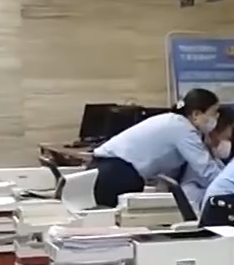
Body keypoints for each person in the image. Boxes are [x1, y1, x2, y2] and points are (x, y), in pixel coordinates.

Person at [90, 89, 226, 208]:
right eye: (214, 112)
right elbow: (206, 168)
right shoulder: (183, 129)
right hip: (116, 174)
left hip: (111, 169)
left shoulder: (173, 122)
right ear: (196, 114)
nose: (216, 118)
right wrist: (230, 186)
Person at [179, 107, 234, 212]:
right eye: (225, 138)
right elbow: (221, 182)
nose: (228, 142)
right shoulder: (199, 162)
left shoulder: (214, 159)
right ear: (211, 133)